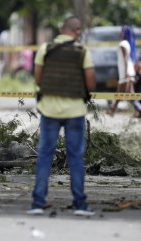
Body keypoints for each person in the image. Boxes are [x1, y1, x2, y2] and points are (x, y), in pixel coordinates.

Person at [27, 17, 96, 216]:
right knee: (75, 157)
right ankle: (80, 205)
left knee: (45, 156)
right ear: (76, 30)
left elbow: (38, 79)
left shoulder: (45, 49)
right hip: (75, 112)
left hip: (49, 111)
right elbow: (91, 85)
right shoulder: (82, 51)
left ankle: (38, 203)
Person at [107, 26, 137, 116]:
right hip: (127, 71)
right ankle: (112, 111)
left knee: (128, 93)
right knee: (123, 93)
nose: (120, 33)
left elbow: (125, 59)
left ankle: (138, 109)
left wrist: (126, 73)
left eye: (121, 32)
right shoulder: (128, 43)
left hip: (125, 71)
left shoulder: (123, 43)